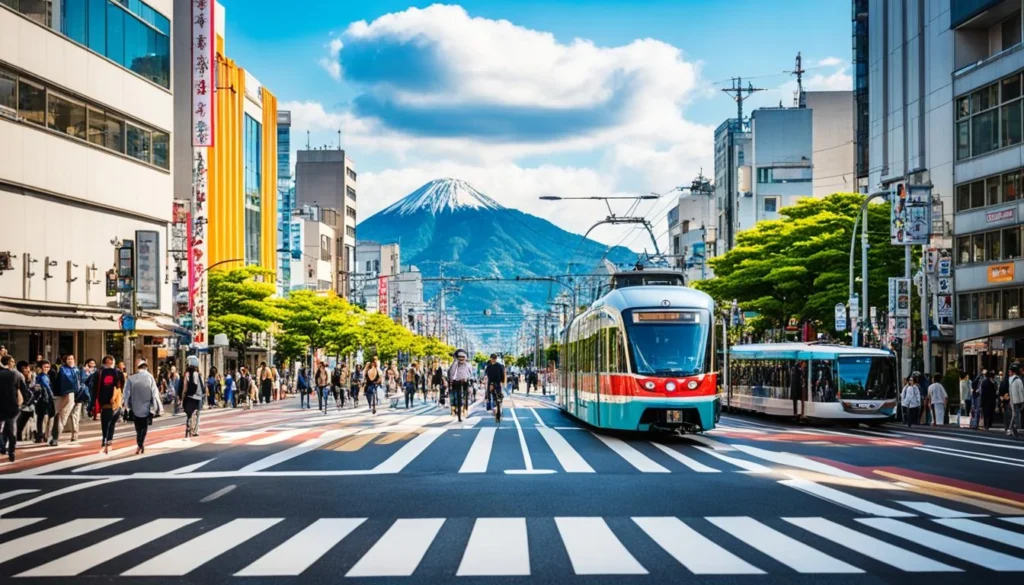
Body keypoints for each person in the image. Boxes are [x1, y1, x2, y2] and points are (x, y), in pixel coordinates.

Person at [122, 359, 163, 454]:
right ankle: (140, 443)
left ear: (138, 368)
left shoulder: (131, 378)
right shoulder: (150, 377)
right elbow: (155, 393)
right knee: (144, 427)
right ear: (146, 368)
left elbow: (126, 393)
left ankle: (140, 444)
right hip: (147, 406)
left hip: (135, 406)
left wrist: (126, 405)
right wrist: (157, 407)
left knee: (138, 428)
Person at [0, 355, 31, 462]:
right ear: (9, 362)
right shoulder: (17, 374)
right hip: (13, 406)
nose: (14, 363)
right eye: (12, 361)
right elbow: (25, 391)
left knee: (2, 428)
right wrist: (24, 403)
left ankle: (2, 445)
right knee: (12, 429)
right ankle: (11, 451)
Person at [91, 356, 125, 452]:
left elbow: (122, 387)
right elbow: (94, 389)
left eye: (110, 361)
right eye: (107, 362)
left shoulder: (117, 373)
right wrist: (93, 402)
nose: (109, 363)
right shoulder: (99, 373)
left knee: (109, 422)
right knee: (107, 422)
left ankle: (107, 439)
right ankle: (106, 439)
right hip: (106, 402)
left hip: (113, 402)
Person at [50, 354, 83, 446]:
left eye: (72, 358)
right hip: (65, 395)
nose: (70, 360)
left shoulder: (77, 370)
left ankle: (72, 436)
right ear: (65, 360)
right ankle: (55, 437)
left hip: (75, 395)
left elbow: (80, 382)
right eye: (68, 359)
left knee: (71, 417)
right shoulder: (61, 370)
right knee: (61, 416)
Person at [181, 356, 204, 438]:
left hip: (189, 396)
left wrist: (183, 396)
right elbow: (202, 386)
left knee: (189, 413)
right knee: (197, 414)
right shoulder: (198, 374)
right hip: (198, 397)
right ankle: (195, 430)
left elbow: (185, 387)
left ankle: (189, 423)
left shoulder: (186, 374)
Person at [448, 350, 473, 422]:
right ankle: (456, 409)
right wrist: (452, 380)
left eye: (463, 357)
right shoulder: (455, 364)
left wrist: (470, 381)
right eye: (459, 357)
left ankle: (465, 409)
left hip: (465, 381)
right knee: (456, 396)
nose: (461, 359)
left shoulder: (468, 364)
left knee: (466, 395)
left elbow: (471, 374)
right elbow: (451, 373)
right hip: (457, 382)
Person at [32, 360, 54, 443]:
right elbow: (47, 387)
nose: (46, 368)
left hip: (41, 399)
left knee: (40, 418)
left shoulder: (41, 376)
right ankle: (42, 435)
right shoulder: (43, 377)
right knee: (44, 417)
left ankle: (40, 435)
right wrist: (52, 396)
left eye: (48, 367)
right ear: (41, 367)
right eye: (45, 367)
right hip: (45, 399)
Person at [484, 354, 506, 423]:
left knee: (498, 399)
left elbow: (502, 374)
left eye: (495, 358)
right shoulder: (489, 366)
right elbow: (487, 375)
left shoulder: (499, 366)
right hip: (490, 383)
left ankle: (498, 414)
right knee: (490, 396)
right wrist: (489, 385)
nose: (494, 359)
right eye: (493, 358)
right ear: (490, 358)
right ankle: (493, 409)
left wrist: (502, 382)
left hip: (497, 383)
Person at [1007, 362, 1024, 438]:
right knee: (1017, 415)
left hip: (1012, 400)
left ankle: (1010, 429)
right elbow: (1021, 391)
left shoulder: (1010, 379)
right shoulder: (1019, 380)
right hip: (1018, 400)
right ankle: (1015, 427)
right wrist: (1022, 401)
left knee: (1014, 415)